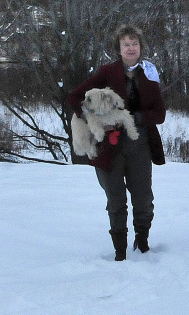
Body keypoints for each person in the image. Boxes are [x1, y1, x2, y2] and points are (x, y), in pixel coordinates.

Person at [67, 25, 167, 261]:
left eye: (134, 44)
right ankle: (120, 251)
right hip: (108, 148)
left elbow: (160, 114)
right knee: (116, 200)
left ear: (141, 47)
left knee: (143, 198)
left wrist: (136, 118)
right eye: (126, 44)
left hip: (139, 143)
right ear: (119, 49)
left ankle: (142, 242)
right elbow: (74, 98)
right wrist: (94, 120)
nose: (131, 48)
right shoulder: (107, 72)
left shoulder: (149, 73)